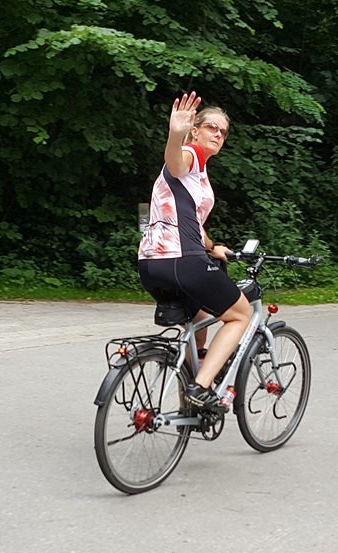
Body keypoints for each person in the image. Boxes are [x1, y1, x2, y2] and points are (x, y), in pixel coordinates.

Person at [137, 91, 252, 413]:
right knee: (240, 315)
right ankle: (200, 388)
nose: (218, 134)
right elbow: (175, 163)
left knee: (199, 321)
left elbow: (192, 223)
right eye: (212, 127)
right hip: (183, 262)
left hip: (151, 265)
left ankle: (188, 407)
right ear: (196, 130)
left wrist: (213, 247)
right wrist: (176, 134)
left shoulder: (196, 176)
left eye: (223, 131)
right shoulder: (191, 154)